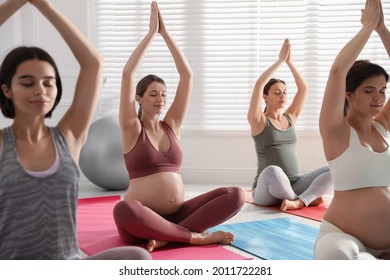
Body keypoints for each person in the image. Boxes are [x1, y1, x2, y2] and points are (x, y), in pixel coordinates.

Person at [0, 0, 151, 260]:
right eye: (27, 82)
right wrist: (16, 2)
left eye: (49, 83)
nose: (40, 90)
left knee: (139, 258)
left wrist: (44, 5)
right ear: (6, 90)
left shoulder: (68, 137)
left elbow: (93, 64)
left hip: (71, 264)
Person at [113, 1, 245, 253]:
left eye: (163, 94)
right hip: (142, 222)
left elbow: (187, 76)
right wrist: (151, 34)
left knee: (236, 194)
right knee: (123, 209)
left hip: (178, 216)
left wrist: (166, 34)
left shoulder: (172, 124)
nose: (160, 99)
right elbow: (127, 75)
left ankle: (171, 237)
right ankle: (194, 237)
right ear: (138, 99)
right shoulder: (131, 128)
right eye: (153, 94)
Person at [315, 0, 390, 260]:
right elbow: (337, 72)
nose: (378, 97)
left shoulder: (383, 127)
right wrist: (368, 27)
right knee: (341, 260)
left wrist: (382, 30)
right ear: (348, 95)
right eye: (368, 90)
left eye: (382, 90)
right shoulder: (336, 130)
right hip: (343, 237)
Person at [247, 38, 333, 211]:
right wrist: (279, 61)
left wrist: (290, 63)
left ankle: (299, 200)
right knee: (273, 171)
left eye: (285, 92)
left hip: (294, 183)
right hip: (267, 188)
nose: (282, 96)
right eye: (277, 93)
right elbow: (258, 85)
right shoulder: (258, 120)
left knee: (334, 169)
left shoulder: (290, 117)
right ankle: (302, 199)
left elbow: (304, 89)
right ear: (265, 97)